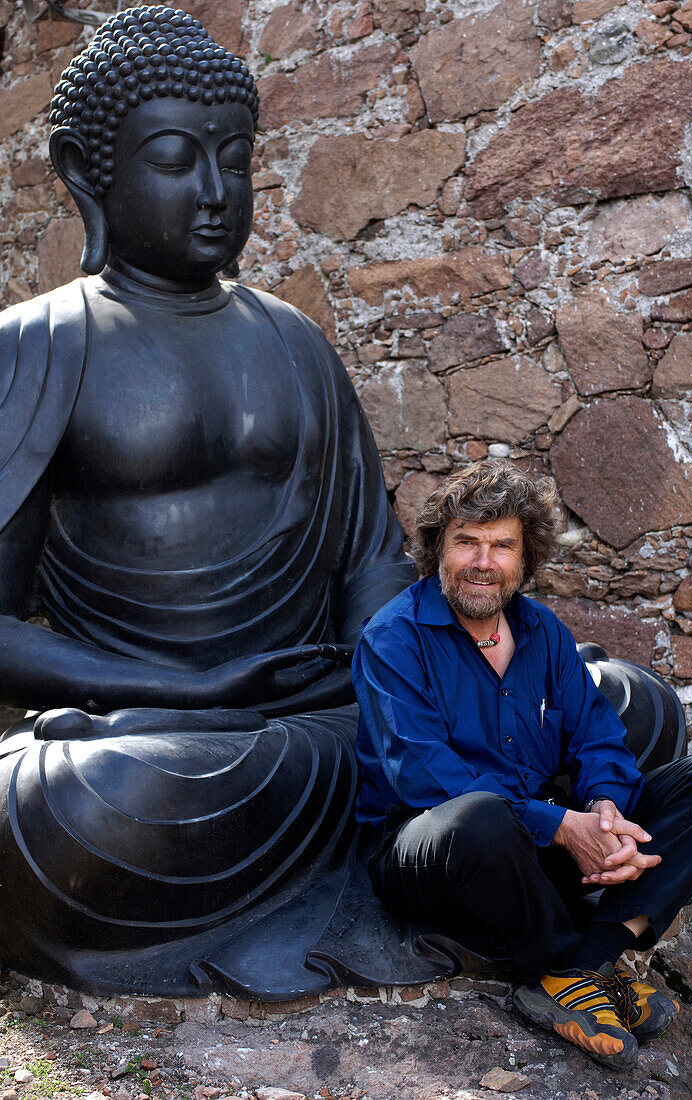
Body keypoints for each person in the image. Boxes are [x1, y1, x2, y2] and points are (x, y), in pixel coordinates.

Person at [0, 5, 415, 997]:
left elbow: (374, 571)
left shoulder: (297, 343)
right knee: (86, 804)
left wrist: (397, 685)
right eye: (179, 158)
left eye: (237, 157)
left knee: (608, 708)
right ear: (85, 173)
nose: (217, 191)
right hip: (149, 742)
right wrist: (193, 688)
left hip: (317, 723)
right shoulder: (36, 343)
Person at [353, 459, 692, 1070]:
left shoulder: (543, 632)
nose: (483, 561)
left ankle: (591, 962)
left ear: (525, 559)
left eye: (502, 545)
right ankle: (558, 964)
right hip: (432, 847)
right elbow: (425, 777)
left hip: (535, 838)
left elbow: (598, 737)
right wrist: (560, 827)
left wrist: (605, 811)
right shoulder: (393, 637)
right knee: (478, 816)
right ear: (437, 550)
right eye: (466, 542)